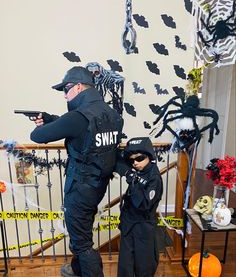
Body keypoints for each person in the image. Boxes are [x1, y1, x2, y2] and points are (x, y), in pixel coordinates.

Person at [30, 66, 124, 277]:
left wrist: (39, 125)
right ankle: (77, 270)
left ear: (79, 87)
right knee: (82, 232)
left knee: (81, 242)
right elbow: (79, 129)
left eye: (66, 89)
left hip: (80, 188)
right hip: (97, 185)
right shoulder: (110, 114)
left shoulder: (78, 117)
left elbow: (38, 136)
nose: (65, 95)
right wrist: (50, 117)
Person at [115, 137, 163, 277]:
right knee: (125, 265)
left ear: (149, 156)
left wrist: (132, 179)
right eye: (132, 160)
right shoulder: (136, 169)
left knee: (144, 267)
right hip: (128, 224)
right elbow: (118, 159)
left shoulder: (154, 177)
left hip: (143, 228)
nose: (135, 163)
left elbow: (143, 204)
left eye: (139, 158)